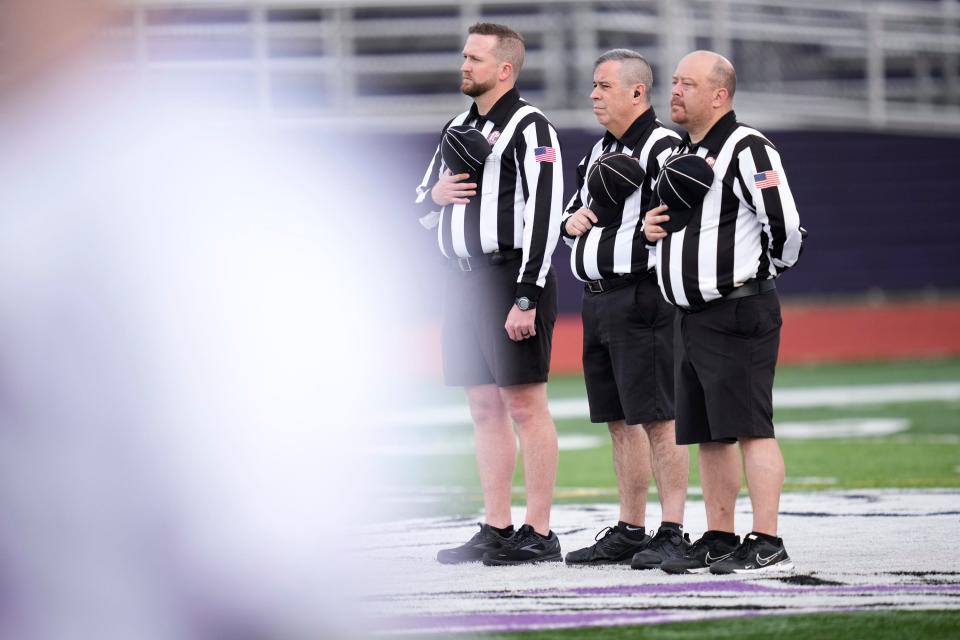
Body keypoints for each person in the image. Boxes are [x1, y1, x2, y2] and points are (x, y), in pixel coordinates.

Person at [643, 51, 805, 575]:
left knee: (752, 426)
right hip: (690, 317)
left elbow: (785, 227)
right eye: (673, 82)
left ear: (719, 94)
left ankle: (768, 537)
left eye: (686, 83)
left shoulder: (747, 146)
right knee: (709, 432)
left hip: (737, 309)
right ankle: (719, 534)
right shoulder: (677, 154)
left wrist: (757, 274)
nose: (674, 92)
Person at [414, 23, 565, 566]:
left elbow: (546, 214)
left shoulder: (532, 127)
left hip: (510, 275)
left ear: (504, 69)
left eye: (475, 57)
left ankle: (540, 531)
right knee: (482, 405)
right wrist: (436, 193)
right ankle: (497, 527)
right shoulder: (456, 126)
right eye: (464, 56)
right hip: (461, 277)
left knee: (524, 403)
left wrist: (527, 293)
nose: (465, 65)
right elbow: (418, 202)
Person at [559, 49, 690, 570]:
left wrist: (618, 231)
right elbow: (572, 216)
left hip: (644, 295)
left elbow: (682, 217)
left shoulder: (665, 148)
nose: (594, 95)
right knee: (618, 419)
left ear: (638, 92)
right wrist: (574, 222)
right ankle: (632, 528)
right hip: (596, 297)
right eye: (593, 86)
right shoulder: (597, 152)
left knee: (658, 417)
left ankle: (674, 530)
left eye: (604, 86)